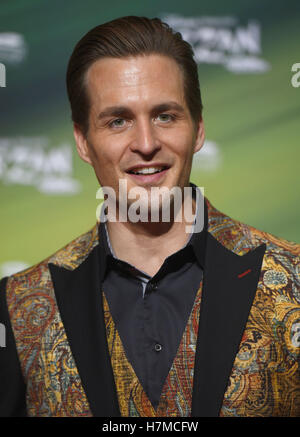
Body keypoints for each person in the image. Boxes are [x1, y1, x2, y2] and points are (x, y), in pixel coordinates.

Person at [0, 16, 299, 418]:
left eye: (165, 115)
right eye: (118, 120)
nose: (145, 144)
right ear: (83, 141)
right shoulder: (18, 307)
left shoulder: (293, 281)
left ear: (197, 129)